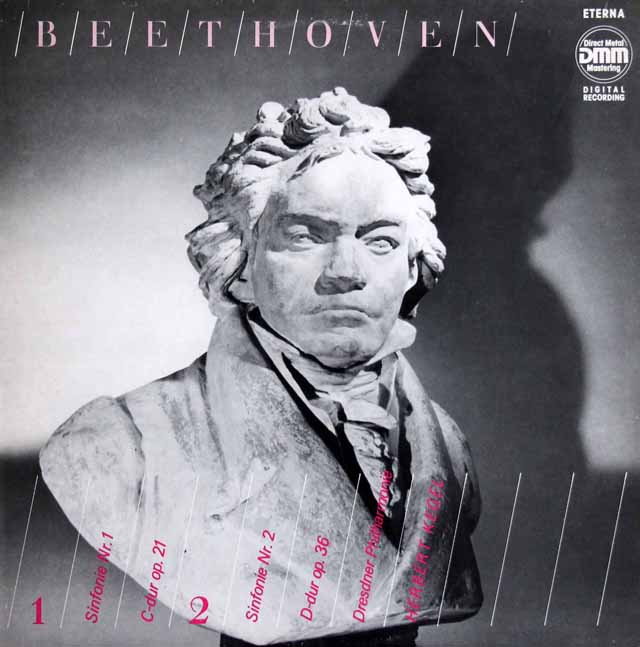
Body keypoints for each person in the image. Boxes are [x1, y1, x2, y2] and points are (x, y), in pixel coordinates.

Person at [40, 88, 482, 646]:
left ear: (414, 269)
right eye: (304, 236)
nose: (346, 272)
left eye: (381, 242)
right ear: (240, 265)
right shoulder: (119, 445)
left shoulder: (448, 445)